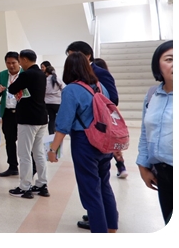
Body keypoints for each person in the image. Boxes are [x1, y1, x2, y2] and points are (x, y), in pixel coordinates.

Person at [48, 51, 118, 233]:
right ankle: (111, 226)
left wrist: (53, 149)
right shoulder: (101, 86)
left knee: (90, 190)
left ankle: (99, 231)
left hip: (85, 143)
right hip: (105, 142)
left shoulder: (71, 90)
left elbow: (63, 124)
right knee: (104, 184)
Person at [66, 41, 125, 230]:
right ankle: (109, 223)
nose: (71, 59)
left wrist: (91, 106)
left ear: (87, 55)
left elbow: (112, 101)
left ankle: (100, 224)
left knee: (92, 186)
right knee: (101, 183)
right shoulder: (85, 82)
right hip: (98, 136)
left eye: (73, 55)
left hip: (93, 134)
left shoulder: (98, 74)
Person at [137, 40, 172, 225]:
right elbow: (145, 132)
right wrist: (143, 166)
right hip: (162, 173)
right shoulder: (152, 95)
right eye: (169, 59)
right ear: (158, 65)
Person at [7, 49, 49, 199]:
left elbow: (12, 88)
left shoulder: (27, 74)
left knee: (24, 154)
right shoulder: (41, 74)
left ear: (24, 59)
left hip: (28, 119)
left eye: (19, 60)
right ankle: (42, 184)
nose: (19, 64)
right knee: (39, 153)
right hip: (41, 118)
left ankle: (25, 187)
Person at [0, 52, 23, 177]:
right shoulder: (2, 74)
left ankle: (28, 167)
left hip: (22, 112)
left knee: (25, 141)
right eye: (8, 63)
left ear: (19, 62)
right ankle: (12, 166)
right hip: (7, 112)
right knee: (9, 141)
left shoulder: (24, 74)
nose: (11, 65)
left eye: (13, 63)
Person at [44, 65, 65, 135]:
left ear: (47, 73)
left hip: (47, 103)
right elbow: (63, 89)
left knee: (51, 119)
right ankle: (58, 133)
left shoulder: (44, 80)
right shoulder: (58, 79)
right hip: (57, 102)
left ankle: (51, 134)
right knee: (58, 118)